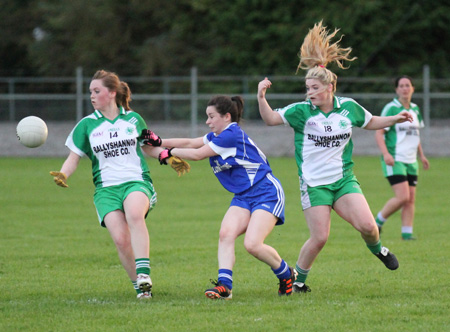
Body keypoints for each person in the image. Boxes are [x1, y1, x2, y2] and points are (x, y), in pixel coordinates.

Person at [257, 21, 413, 293]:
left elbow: (372, 121)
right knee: (319, 238)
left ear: (329, 88)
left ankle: (378, 250)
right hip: (314, 184)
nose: (309, 92)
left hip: (343, 181)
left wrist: (395, 118)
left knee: (368, 227)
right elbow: (270, 119)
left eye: (314, 88)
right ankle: (298, 281)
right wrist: (261, 96)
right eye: (307, 88)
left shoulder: (348, 108)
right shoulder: (301, 111)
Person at [49, 70, 190, 299]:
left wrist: (168, 156)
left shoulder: (133, 119)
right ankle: (140, 288)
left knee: (135, 214)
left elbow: (148, 147)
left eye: (97, 91)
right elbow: (74, 157)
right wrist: (64, 174)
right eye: (90, 92)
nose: (92, 96)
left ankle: (144, 273)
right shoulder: (86, 125)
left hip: (136, 181)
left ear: (112, 93)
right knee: (121, 240)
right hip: (106, 190)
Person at [143, 95, 297, 299]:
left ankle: (286, 274)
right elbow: (191, 142)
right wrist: (160, 141)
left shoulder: (230, 135)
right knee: (226, 233)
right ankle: (225, 286)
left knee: (252, 244)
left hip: (265, 192)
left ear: (226, 117)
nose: (207, 122)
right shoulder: (218, 135)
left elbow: (198, 154)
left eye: (211, 116)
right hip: (243, 196)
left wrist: (166, 153)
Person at [374, 75, 430, 240]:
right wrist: (386, 154)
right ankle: (378, 221)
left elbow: (415, 134)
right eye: (402, 86)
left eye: (408, 85)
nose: (405, 88)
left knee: (410, 199)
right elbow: (379, 132)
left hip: (411, 161)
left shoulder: (415, 109)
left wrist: (422, 155)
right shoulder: (391, 108)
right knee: (402, 197)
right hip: (395, 159)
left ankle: (407, 234)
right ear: (396, 89)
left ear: (412, 88)